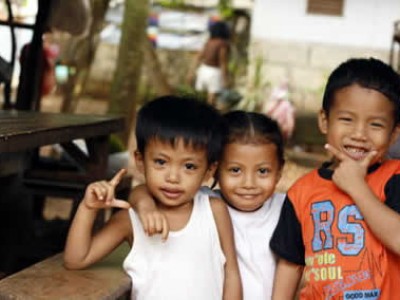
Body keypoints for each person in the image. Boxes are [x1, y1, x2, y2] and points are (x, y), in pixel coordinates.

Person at [63, 95, 242, 300]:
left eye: (189, 166)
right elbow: (76, 259)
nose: (173, 177)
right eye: (160, 162)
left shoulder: (214, 211)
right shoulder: (129, 220)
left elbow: (231, 272)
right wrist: (88, 208)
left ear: (209, 170)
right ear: (140, 161)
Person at [270, 57, 400, 300]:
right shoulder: (302, 192)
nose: (359, 134)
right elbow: (290, 263)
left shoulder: (394, 177)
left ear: (394, 134)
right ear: (324, 120)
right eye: (347, 119)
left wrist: (357, 187)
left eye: (376, 125)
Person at [131, 110, 286, 299]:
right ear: (214, 169)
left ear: (279, 171)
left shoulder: (286, 208)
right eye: (235, 170)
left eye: (263, 171)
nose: (249, 183)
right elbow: (142, 190)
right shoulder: (204, 204)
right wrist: (146, 207)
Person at [188, 21, 231, 107]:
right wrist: (225, 79)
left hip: (203, 69)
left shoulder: (208, 42)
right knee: (211, 100)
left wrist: (191, 72)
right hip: (214, 72)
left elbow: (198, 57)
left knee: (200, 97)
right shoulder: (222, 44)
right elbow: (223, 62)